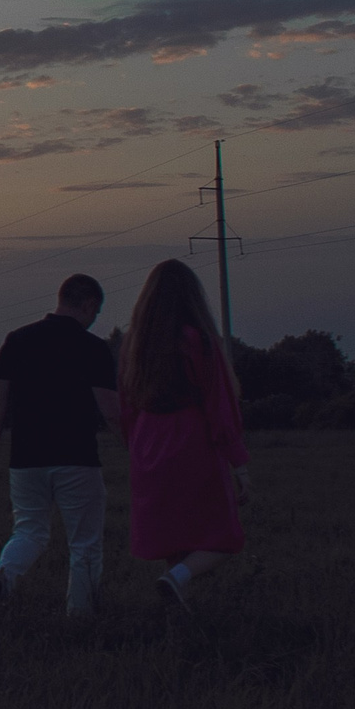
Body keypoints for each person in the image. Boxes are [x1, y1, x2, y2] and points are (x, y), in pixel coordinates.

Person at [0, 273, 121, 626]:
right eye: (95, 313)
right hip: (77, 460)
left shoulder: (17, 340)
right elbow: (111, 411)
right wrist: (135, 449)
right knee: (84, 543)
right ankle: (80, 617)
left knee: (29, 531)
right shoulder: (93, 348)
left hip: (25, 460)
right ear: (89, 305)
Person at [118, 258, 251, 614]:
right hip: (190, 438)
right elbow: (219, 404)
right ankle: (177, 581)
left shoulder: (134, 344)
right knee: (224, 535)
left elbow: (126, 404)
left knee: (172, 533)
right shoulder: (199, 341)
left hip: (147, 441)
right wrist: (239, 462)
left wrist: (135, 449)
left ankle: (175, 597)